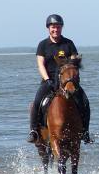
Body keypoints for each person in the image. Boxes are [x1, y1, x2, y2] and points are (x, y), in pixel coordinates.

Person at [27, 14, 92, 143]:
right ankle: (34, 131)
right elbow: (40, 64)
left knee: (85, 102)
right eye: (53, 27)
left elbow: (74, 62)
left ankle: (85, 131)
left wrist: (73, 72)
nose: (55, 29)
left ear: (61, 28)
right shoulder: (43, 45)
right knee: (36, 102)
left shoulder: (68, 43)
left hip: (67, 81)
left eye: (58, 27)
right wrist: (47, 80)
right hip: (49, 80)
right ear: (48, 28)